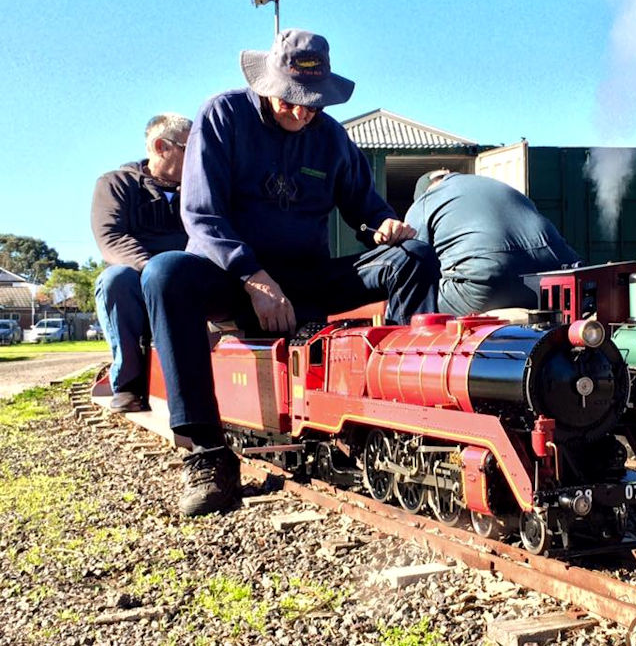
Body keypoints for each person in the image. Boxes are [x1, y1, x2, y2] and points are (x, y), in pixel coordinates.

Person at [141, 29, 439, 517]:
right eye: (293, 101)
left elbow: (364, 207)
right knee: (164, 275)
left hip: (307, 278)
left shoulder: (331, 138)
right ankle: (208, 458)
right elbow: (202, 216)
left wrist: (383, 224)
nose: (303, 113)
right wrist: (254, 277)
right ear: (266, 85)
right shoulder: (222, 117)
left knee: (415, 257)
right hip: (234, 281)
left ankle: (403, 413)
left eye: (314, 104)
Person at [91, 113, 192, 413]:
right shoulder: (115, 183)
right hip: (138, 277)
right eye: (191, 147)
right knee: (114, 280)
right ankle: (128, 382)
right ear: (162, 146)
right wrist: (153, 271)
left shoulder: (199, 188)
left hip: (190, 273)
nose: (200, 155)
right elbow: (110, 237)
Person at [405, 171, 580, 315]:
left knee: (416, 296)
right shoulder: (496, 185)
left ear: (424, 192)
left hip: (485, 287)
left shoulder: (424, 203)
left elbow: (416, 262)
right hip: (557, 280)